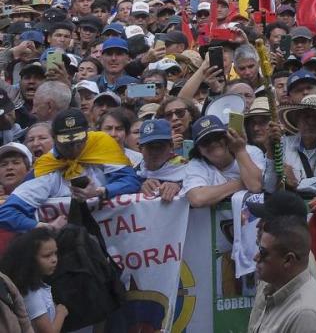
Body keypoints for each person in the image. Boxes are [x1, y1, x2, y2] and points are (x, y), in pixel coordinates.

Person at [0, 109, 139, 232]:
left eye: (79, 141)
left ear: (87, 133)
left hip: (114, 236)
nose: (74, 147)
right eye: (67, 143)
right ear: (54, 138)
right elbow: (6, 213)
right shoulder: (46, 168)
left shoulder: (102, 146)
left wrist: (100, 191)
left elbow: (131, 182)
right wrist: (44, 227)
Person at [248, 215, 316, 333]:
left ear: (288, 260)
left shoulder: (306, 316)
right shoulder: (277, 293)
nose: (255, 258)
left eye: (263, 252)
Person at [183, 116, 265, 208]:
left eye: (217, 137)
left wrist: (240, 151)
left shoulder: (250, 152)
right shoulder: (196, 164)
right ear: (199, 150)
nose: (213, 143)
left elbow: (255, 186)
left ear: (227, 138)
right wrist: (241, 183)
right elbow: (197, 199)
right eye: (205, 141)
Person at [0, 228, 59, 333]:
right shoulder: (32, 295)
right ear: (29, 259)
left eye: (55, 253)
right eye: (47, 256)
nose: (54, 259)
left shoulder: (37, 285)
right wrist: (62, 312)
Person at [135, 119, 186, 203]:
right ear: (140, 149)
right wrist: (139, 186)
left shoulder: (187, 169)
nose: (155, 152)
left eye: (160, 146)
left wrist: (179, 186)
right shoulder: (134, 173)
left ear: (171, 146)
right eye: (150, 147)